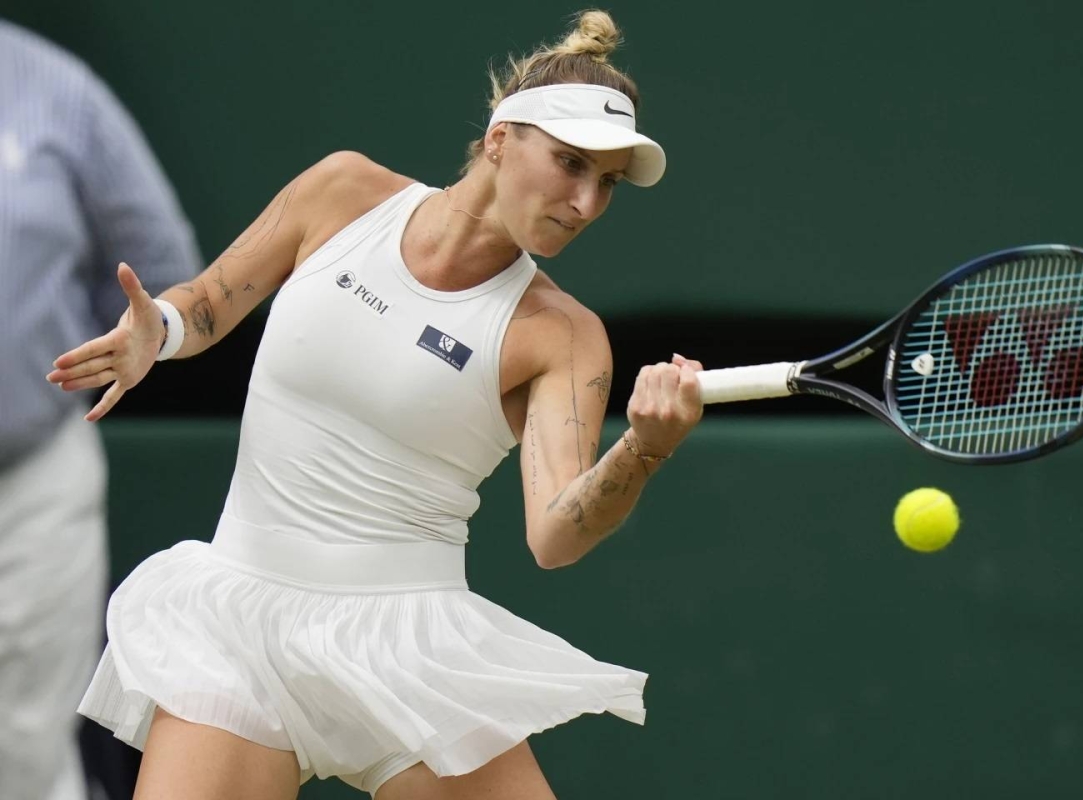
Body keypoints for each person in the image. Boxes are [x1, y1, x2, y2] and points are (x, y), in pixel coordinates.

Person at [49, 10, 702, 799]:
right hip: (240, 621)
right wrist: (165, 328)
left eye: (608, 183)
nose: (587, 201)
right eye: (571, 164)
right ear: (499, 140)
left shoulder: (561, 335)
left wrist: (642, 449)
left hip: (409, 647)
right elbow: (213, 302)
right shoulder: (343, 192)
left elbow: (556, 535)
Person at [0, 18, 205, 800]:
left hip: (30, 476)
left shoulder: (56, 91)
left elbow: (159, 271)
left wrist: (61, 366)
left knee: (23, 745)